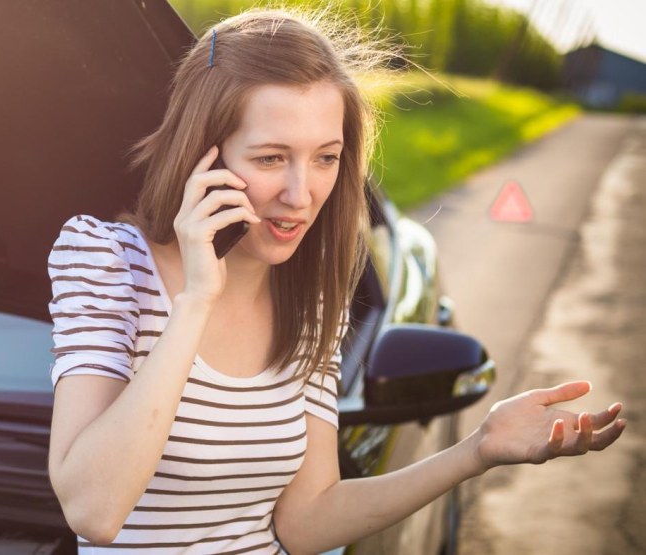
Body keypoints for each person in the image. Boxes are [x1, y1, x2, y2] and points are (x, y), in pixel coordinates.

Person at [45, 7, 626, 554]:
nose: (302, 195)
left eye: (326, 157)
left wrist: (478, 451)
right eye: (271, 158)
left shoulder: (310, 299)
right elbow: (95, 510)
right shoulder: (107, 261)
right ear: (204, 156)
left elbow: (306, 521)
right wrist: (197, 299)